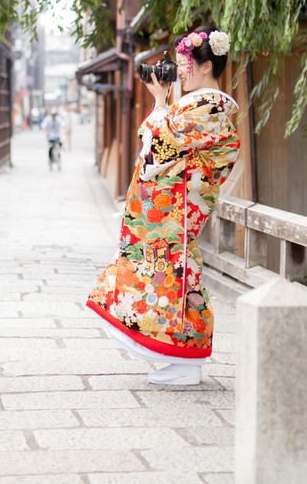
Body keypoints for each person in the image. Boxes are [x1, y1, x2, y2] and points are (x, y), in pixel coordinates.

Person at [87, 26, 239, 386]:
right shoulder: (196, 105)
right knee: (165, 272)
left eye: (185, 63)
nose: (180, 70)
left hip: (179, 210)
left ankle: (186, 358)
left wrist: (159, 104)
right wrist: (163, 106)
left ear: (205, 66)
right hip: (170, 209)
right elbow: (156, 143)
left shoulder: (212, 106)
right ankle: (176, 355)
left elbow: (164, 140)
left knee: (175, 273)